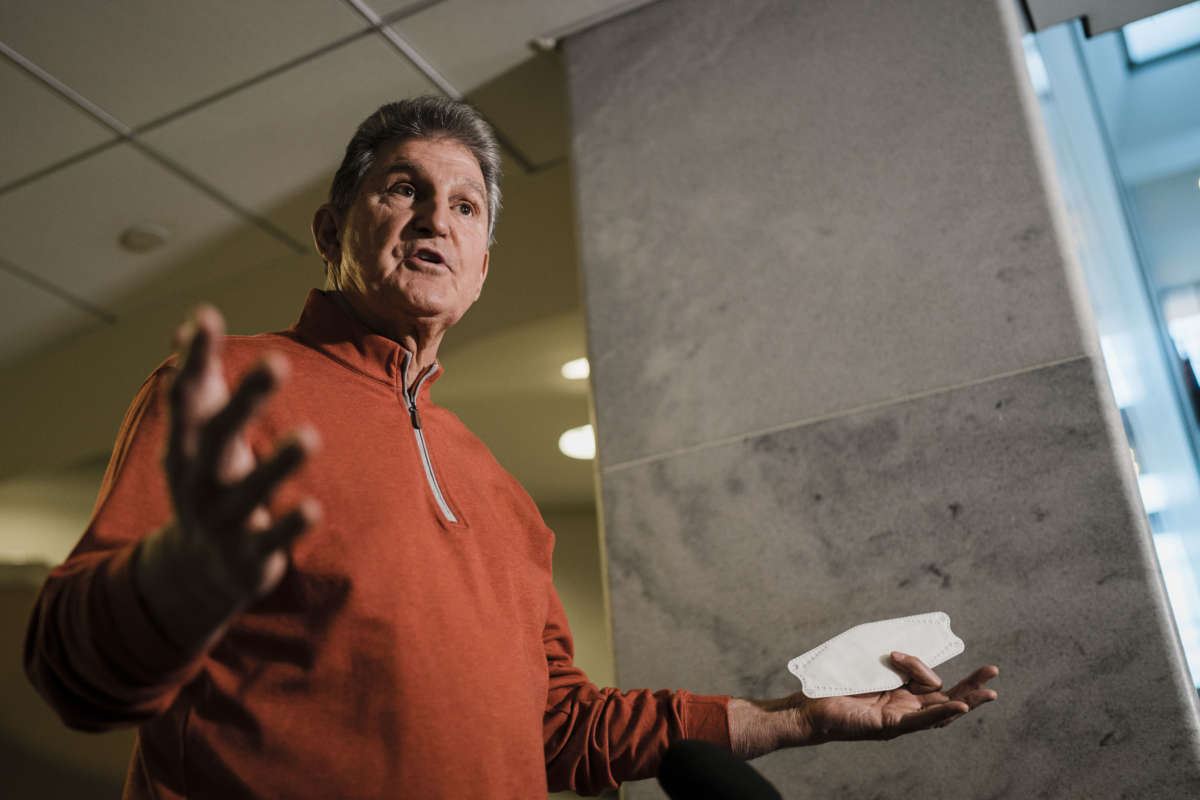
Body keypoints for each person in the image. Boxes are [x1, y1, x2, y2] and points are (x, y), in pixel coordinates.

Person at [24, 96, 998, 798]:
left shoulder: (499, 489)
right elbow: (68, 666)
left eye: (464, 205)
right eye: (402, 189)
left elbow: (562, 726)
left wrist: (804, 717)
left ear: (483, 268)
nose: (433, 219)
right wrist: (169, 585)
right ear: (332, 231)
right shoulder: (230, 390)